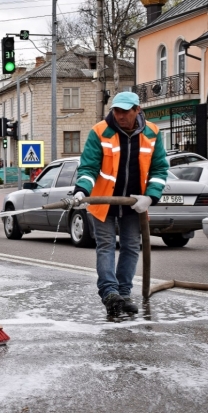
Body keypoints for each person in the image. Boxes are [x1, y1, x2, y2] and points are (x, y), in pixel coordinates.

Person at [73, 92, 168, 317]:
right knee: (105, 245)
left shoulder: (152, 133)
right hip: (104, 201)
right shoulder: (100, 131)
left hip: (135, 202)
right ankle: (110, 294)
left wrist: (151, 197)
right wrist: (81, 191)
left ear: (138, 110)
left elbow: (159, 169)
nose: (120, 115)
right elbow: (88, 167)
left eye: (125, 111)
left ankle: (124, 293)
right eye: (116, 111)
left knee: (131, 247)